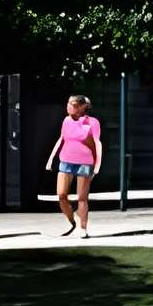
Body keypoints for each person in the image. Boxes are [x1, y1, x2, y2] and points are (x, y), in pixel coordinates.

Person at [48, 93, 102, 238]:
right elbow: (62, 139)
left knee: (82, 198)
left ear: (81, 107)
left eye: (72, 104)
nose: (68, 106)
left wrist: (97, 164)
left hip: (85, 162)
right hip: (66, 160)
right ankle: (72, 221)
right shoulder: (66, 120)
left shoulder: (93, 122)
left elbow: (97, 143)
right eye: (68, 102)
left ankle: (83, 228)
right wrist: (51, 158)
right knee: (61, 195)